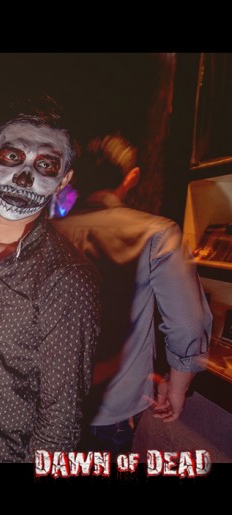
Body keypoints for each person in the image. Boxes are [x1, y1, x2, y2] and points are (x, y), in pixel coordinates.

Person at [0, 97, 101, 462]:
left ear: (62, 180)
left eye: (45, 165)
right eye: (12, 156)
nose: (24, 177)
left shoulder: (66, 279)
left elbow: (61, 421)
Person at [52, 132, 212, 454]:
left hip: (51, 404)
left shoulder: (50, 233)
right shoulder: (157, 233)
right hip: (115, 406)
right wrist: (177, 387)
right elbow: (187, 322)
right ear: (132, 177)